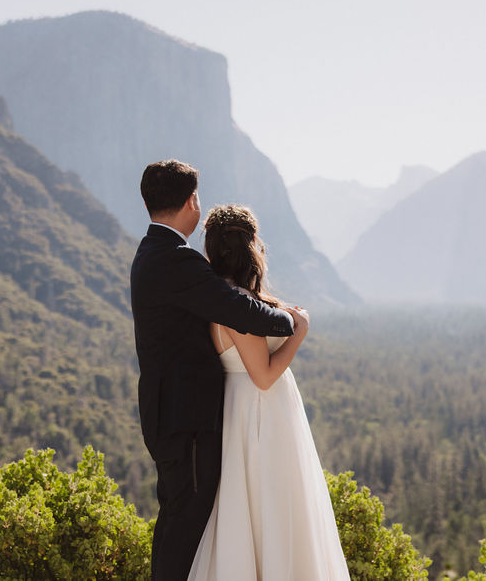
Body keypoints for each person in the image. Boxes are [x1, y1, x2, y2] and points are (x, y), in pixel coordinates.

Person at [130, 161, 297, 580]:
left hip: (168, 415)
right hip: (186, 420)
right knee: (187, 528)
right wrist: (293, 323)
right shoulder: (177, 260)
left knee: (177, 523)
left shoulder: (150, 253)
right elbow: (241, 311)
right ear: (191, 201)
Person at [187, 204, 350, 581]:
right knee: (271, 509)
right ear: (252, 247)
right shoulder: (236, 304)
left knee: (258, 509)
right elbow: (262, 376)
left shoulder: (221, 296)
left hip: (248, 412)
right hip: (260, 415)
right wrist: (299, 332)